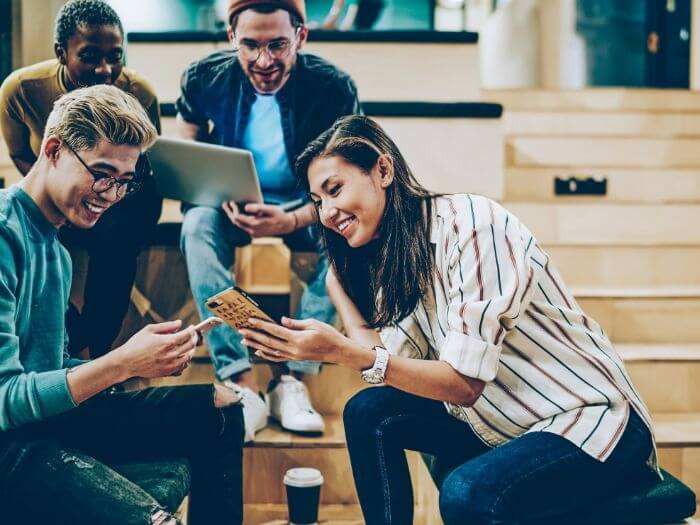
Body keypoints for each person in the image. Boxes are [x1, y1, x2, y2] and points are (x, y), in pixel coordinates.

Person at [237, 115, 659, 525]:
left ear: (383, 170)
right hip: (505, 419)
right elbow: (390, 364)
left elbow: (462, 385)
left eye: (334, 189)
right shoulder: (395, 257)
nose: (327, 212)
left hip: (589, 418)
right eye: (318, 201)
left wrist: (341, 351)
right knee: (368, 412)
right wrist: (338, 289)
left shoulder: (473, 226)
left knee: (465, 494)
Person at [0, 84, 244, 525]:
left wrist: (139, 361)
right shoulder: (4, 235)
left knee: (221, 406)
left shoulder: (54, 251)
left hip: (45, 426)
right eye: (102, 173)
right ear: (54, 149)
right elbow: (4, 399)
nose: (111, 195)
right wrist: (123, 364)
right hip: (10, 445)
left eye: (125, 182)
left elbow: (50, 369)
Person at [176, 0, 360, 441]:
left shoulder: (333, 88)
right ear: (231, 39)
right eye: (250, 45)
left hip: (306, 205)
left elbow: (352, 186)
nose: (264, 61)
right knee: (196, 225)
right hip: (231, 204)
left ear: (301, 36)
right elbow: (187, 148)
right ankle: (240, 380)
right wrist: (213, 193)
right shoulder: (204, 77)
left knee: (349, 239)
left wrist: (293, 219)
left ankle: (293, 377)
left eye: (278, 45)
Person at [0, 0, 163, 359]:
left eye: (116, 56)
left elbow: (138, 165)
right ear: (62, 52)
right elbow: (23, 156)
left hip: (125, 199)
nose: (105, 69)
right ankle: (78, 349)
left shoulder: (141, 92)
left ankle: (97, 349)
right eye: (89, 56)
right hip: (57, 189)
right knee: (44, 240)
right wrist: (63, 198)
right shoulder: (21, 90)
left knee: (118, 240)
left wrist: (103, 193)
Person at [319, 0, 385, 30]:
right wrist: (332, 16)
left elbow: (354, 5)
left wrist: (347, 23)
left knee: (363, 29)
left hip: (371, 4)